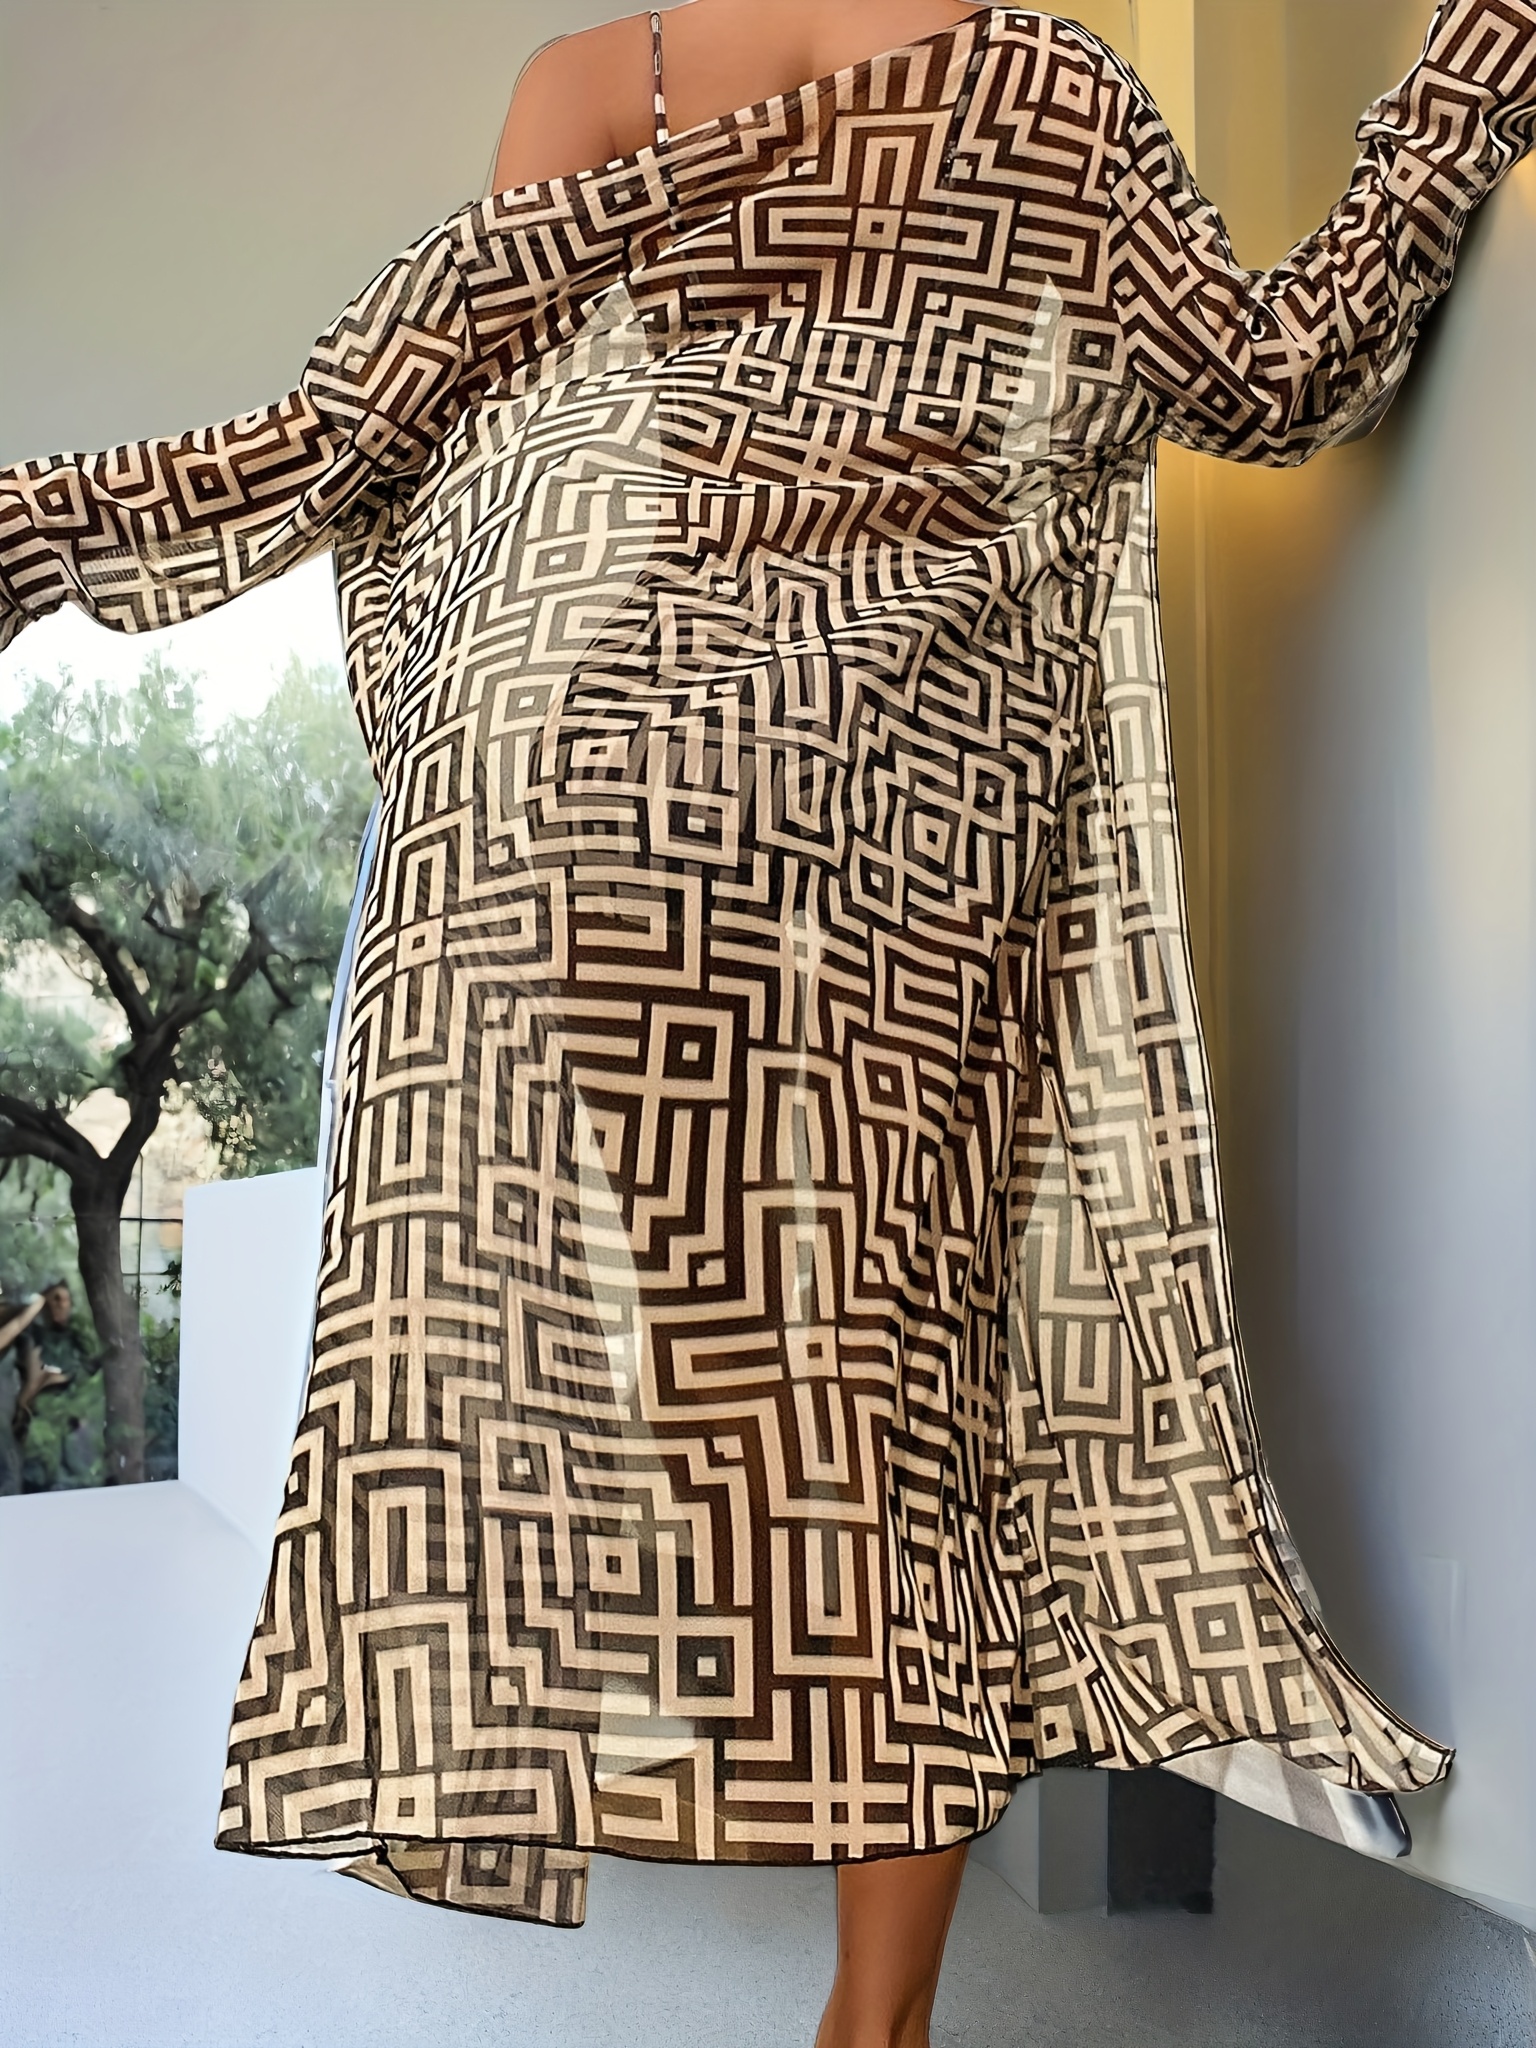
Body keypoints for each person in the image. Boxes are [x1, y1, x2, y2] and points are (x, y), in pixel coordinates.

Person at [3, 4, 1534, 2042]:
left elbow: (372, 421)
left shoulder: (590, 85)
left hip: (577, 776)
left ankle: (688, 1783)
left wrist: (49, 524)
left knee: (688, 1394)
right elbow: (1279, 377)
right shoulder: (1046, 82)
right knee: (883, 1416)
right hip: (893, 795)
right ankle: (870, 2017)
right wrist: (1470, 69)